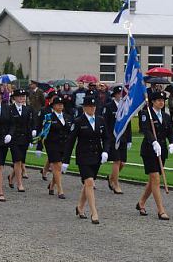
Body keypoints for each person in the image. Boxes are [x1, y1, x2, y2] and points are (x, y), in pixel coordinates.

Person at [64, 95, 111, 224]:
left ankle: (80, 207)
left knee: (88, 183)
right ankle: (94, 212)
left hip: (96, 156)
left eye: (94, 106)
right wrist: (65, 160)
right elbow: (70, 141)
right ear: (84, 108)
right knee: (89, 182)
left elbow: (107, 137)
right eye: (89, 106)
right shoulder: (78, 121)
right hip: (83, 156)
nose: (92, 109)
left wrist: (106, 151)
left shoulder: (100, 120)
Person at [136, 91, 173, 220]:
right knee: (155, 178)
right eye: (158, 100)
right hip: (149, 149)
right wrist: (153, 142)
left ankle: (141, 202)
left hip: (161, 151)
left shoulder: (165, 116)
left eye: (163, 100)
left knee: (153, 180)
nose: (161, 102)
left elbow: (171, 132)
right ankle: (161, 210)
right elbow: (146, 130)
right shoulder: (145, 114)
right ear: (152, 101)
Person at [36, 96, 71, 199]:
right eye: (58, 104)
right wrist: (39, 147)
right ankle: (60, 190)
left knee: (59, 167)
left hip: (63, 145)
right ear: (53, 106)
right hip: (52, 144)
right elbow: (43, 133)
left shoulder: (67, 117)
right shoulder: (48, 117)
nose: (60, 106)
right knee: (57, 166)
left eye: (62, 104)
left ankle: (51, 186)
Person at [103, 86, 131, 194]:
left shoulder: (125, 107)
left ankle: (111, 178)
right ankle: (116, 185)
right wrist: (107, 138)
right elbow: (105, 123)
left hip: (123, 137)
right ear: (115, 95)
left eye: (122, 93)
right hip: (113, 137)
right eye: (119, 93)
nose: (121, 95)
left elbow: (127, 123)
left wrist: (129, 139)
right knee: (117, 160)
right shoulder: (109, 107)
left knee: (122, 162)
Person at [7, 88, 33, 193]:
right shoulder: (10, 109)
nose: (22, 98)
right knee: (17, 160)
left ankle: (11, 177)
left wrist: (30, 139)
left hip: (24, 138)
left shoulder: (27, 109)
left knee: (21, 160)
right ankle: (19, 183)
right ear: (15, 98)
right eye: (20, 96)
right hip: (14, 139)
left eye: (24, 97)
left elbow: (28, 125)